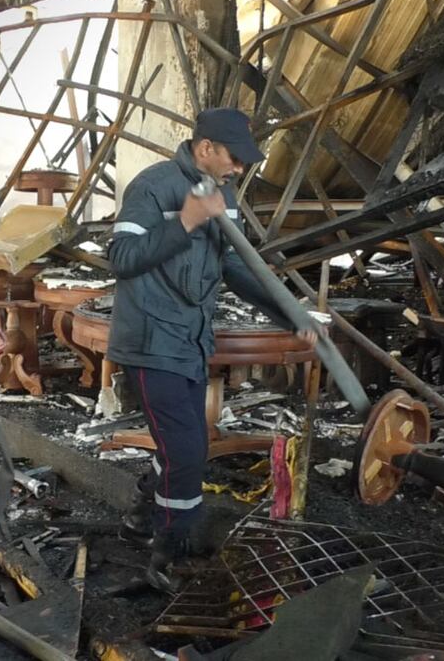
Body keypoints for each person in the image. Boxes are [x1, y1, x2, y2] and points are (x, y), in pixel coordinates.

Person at [108, 108, 318, 592]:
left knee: (183, 446)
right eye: (234, 158)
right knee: (186, 450)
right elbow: (121, 259)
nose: (239, 169)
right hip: (149, 341)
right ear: (205, 149)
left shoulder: (223, 196)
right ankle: (168, 556)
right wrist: (184, 220)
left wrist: (291, 314)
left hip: (190, 341)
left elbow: (235, 267)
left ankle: (143, 517)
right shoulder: (154, 187)